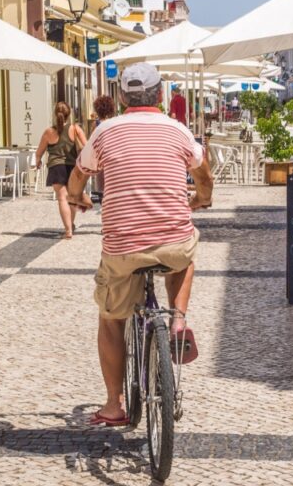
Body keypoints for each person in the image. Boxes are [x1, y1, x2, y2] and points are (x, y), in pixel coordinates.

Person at [66, 63, 213, 428]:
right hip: (172, 242)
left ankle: (115, 405)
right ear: (160, 95)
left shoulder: (104, 132)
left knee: (111, 318)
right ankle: (177, 321)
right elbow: (203, 173)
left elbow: (77, 177)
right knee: (185, 251)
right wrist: (201, 199)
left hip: (123, 250)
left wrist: (77, 199)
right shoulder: (177, 130)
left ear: (120, 98)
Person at [34, 102, 87, 239]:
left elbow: (39, 152)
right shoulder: (75, 129)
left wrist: (38, 161)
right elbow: (87, 147)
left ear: (55, 114)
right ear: (69, 114)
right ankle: (71, 224)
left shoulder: (48, 132)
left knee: (62, 198)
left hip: (56, 168)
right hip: (72, 167)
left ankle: (68, 230)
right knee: (71, 198)